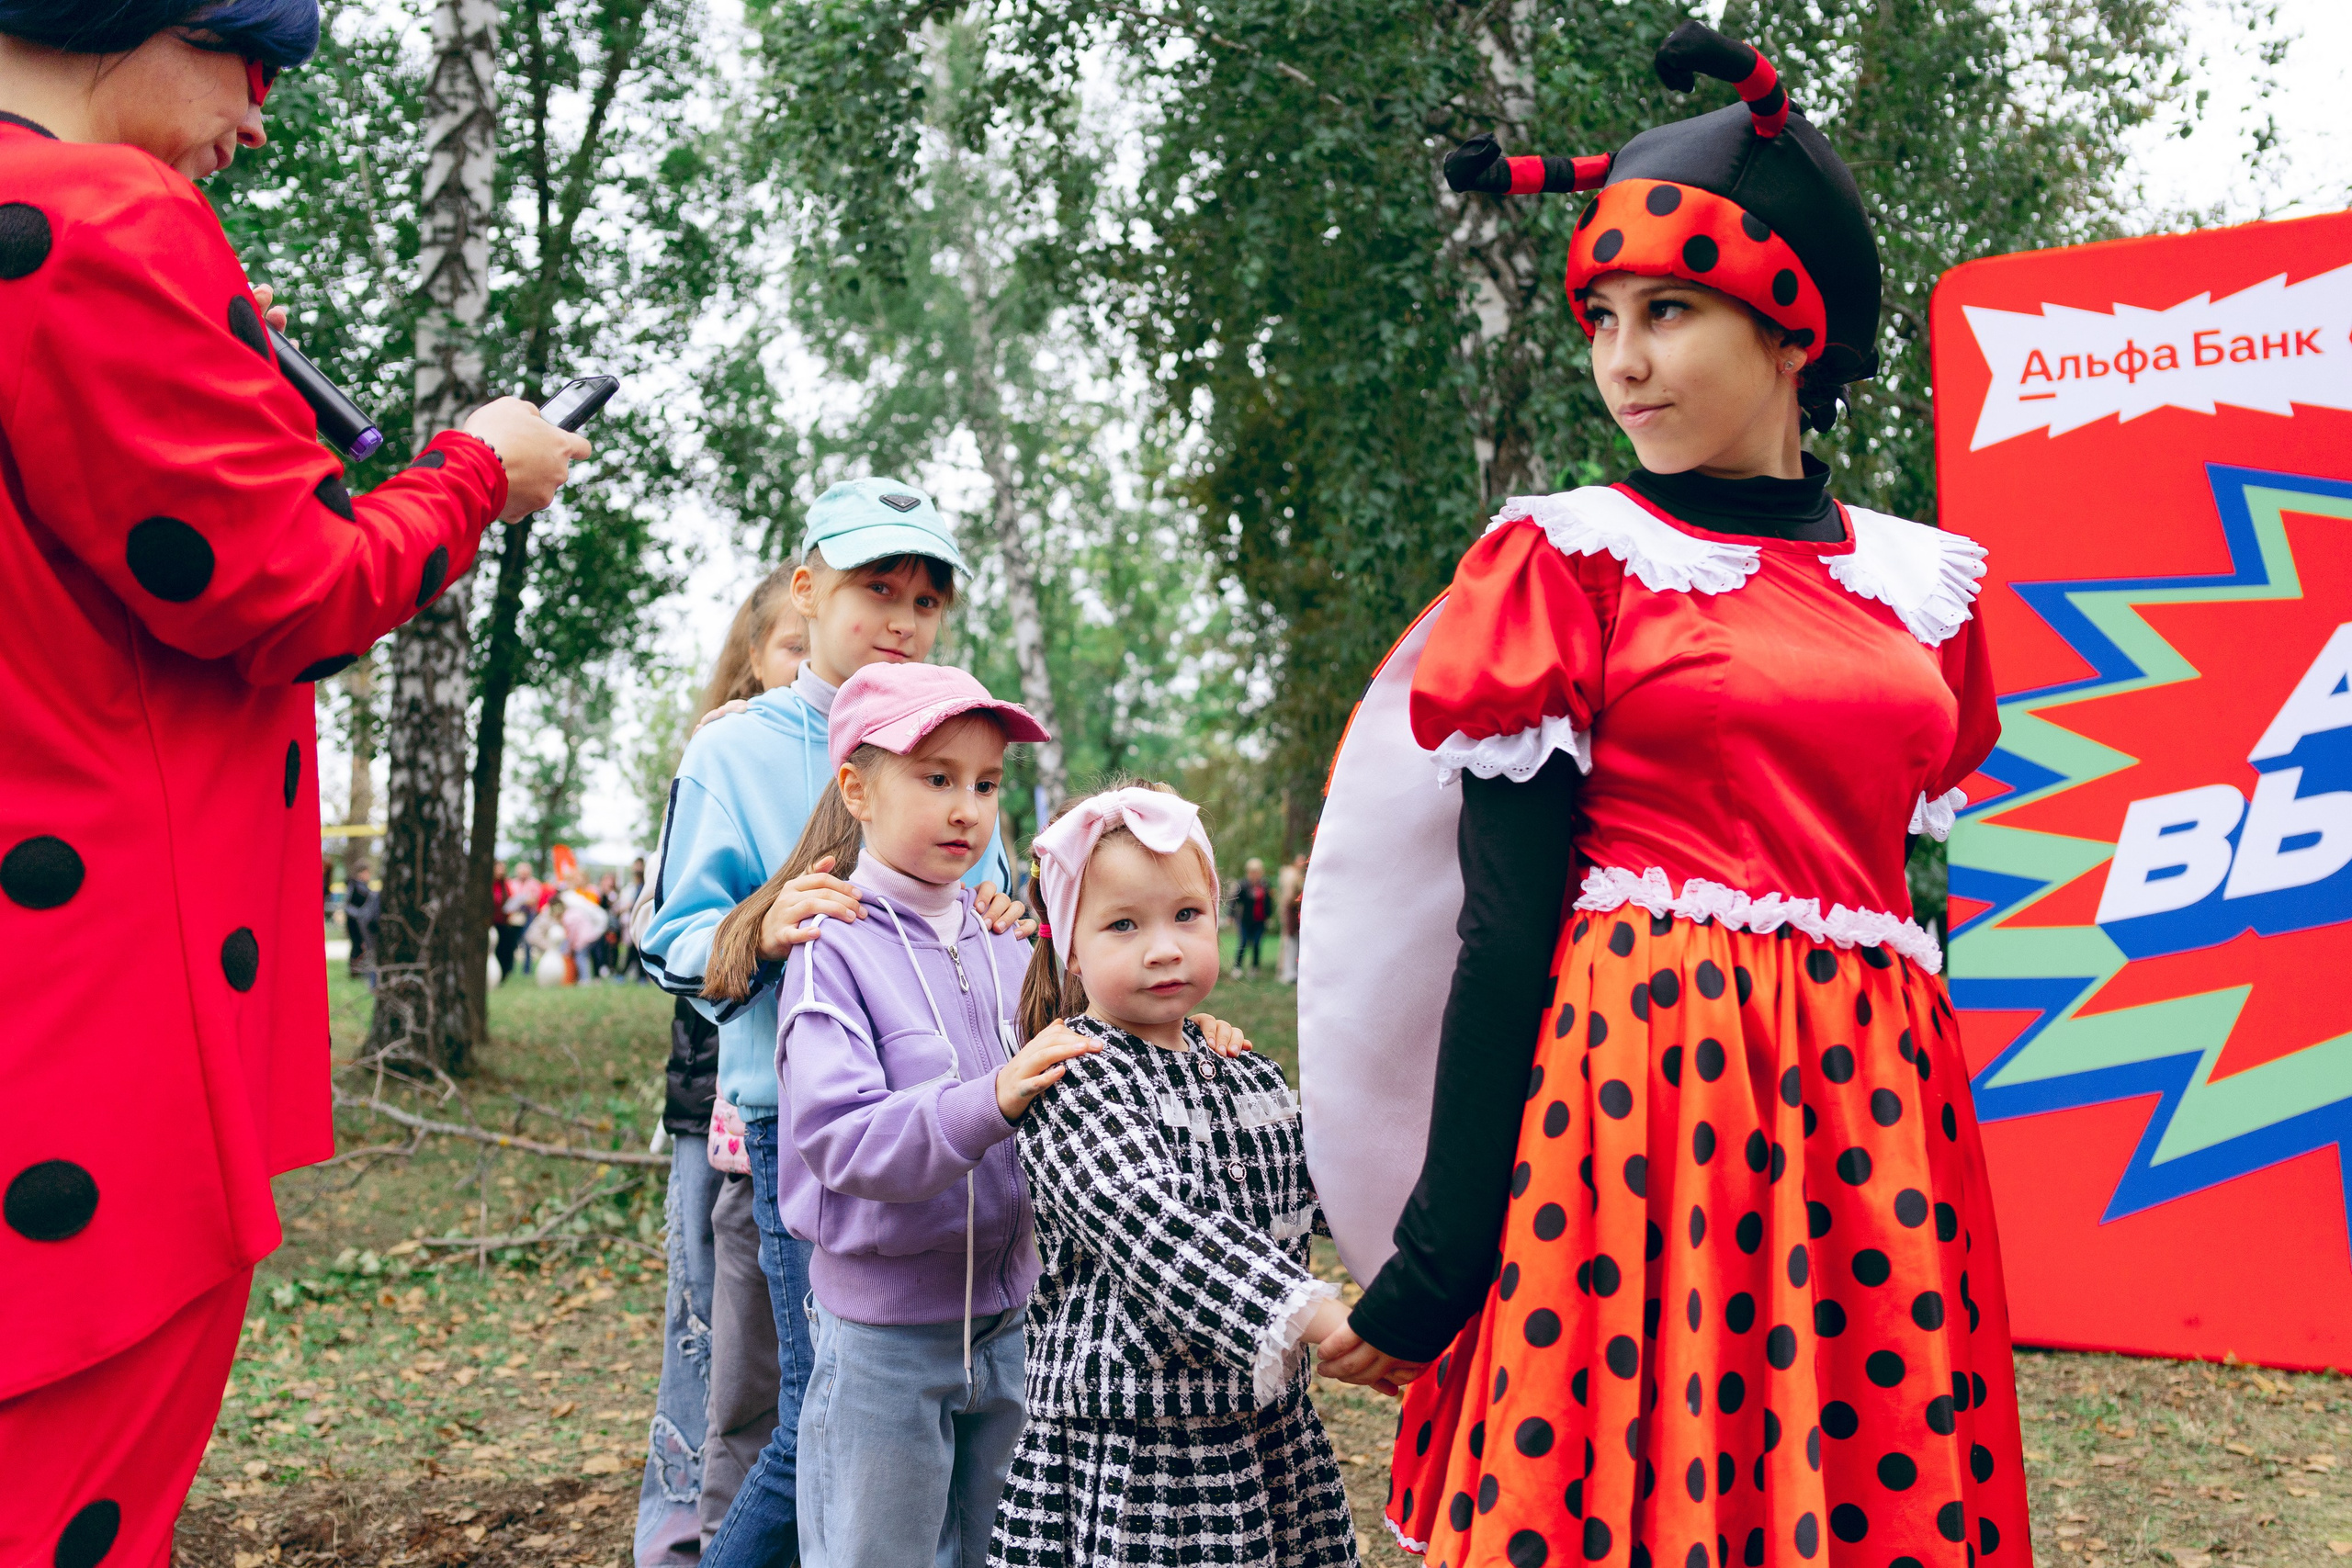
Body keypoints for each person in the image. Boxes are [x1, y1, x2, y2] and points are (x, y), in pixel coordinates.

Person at [1300, 24, 2027, 1566]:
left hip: (1870, 1112)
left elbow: (1919, 838)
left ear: (1791, 330)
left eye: (1670, 311)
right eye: (1602, 316)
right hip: (1646, 1109)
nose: (1622, 360)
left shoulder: (1926, 585)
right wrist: (1437, 1256)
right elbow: (1501, 936)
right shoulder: (1566, 560)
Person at [0, 3, 592, 1559]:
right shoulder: (103, 219)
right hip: (89, 1021)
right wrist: (477, 472)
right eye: (253, 64)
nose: (257, 122)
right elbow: (285, 590)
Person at [640, 480, 1030, 1568]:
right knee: (831, 1412)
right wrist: (761, 930)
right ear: (806, 590)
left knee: (905, 1422)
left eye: (925, 599)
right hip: (804, 1130)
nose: (902, 621)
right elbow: (667, 936)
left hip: (961, 1134)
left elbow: (984, 902)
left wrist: (1005, 917)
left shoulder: (960, 740)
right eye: (876, 590)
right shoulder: (738, 747)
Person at [698, 662, 1063, 1568]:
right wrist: (996, 1098)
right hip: (885, 1343)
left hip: (1009, 1326)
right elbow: (844, 1140)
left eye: (984, 784)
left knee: (1005, 1553)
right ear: (858, 791)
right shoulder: (831, 952)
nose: (966, 810)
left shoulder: (1004, 941)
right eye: (936, 778)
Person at [992, 787, 1360, 1567]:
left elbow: (1323, 1186)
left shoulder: (1242, 1068)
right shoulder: (1072, 1079)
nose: (1163, 947)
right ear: (1072, 948)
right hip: (1139, 1453)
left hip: (1265, 1433)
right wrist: (1316, 1317)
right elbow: (1156, 1227)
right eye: (1124, 924)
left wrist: (1426, 1253)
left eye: (1187, 914)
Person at [631, 565, 809, 1564]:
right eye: (790, 647)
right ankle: (680, 1535)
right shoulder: (727, 766)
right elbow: (676, 939)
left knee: (777, 1348)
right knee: (707, 1336)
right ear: (750, 659)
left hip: (802, 1122)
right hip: (717, 1113)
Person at [1227, 855, 1271, 976]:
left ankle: (1255, 967)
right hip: (1245, 920)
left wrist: (1268, 916)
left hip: (1260, 920)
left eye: (1257, 872)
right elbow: (1234, 900)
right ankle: (1237, 967)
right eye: (1252, 872)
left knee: (1257, 943)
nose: (1254, 874)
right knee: (1243, 942)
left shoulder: (1265, 884)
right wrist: (1230, 915)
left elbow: (1268, 902)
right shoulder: (1243, 885)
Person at [1275, 850, 1306, 984]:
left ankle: (1293, 971)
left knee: (1295, 945)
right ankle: (1286, 971)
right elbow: (1289, 899)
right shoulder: (1291, 876)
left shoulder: (1299, 876)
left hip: (1297, 916)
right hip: (1291, 915)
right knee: (1289, 944)